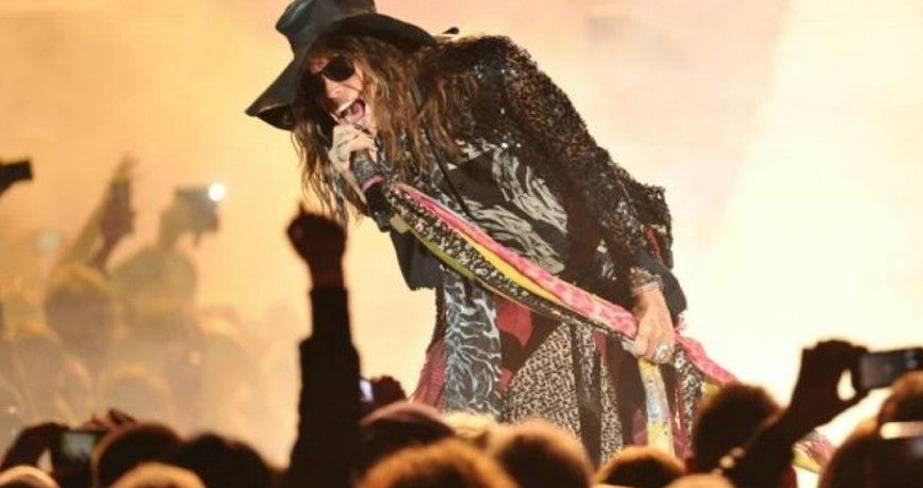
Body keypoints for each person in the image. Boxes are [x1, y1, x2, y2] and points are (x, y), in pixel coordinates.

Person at [248, 0, 731, 463]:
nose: (331, 95)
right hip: (478, 313)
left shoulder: (486, 69)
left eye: (339, 69)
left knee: (563, 451)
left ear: (378, 54)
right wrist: (375, 191)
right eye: (314, 85)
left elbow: (588, 166)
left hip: (575, 289)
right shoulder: (377, 149)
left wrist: (647, 286)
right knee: (465, 457)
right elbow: (425, 260)